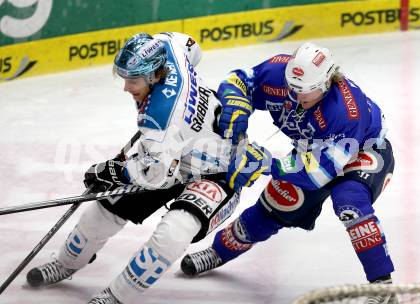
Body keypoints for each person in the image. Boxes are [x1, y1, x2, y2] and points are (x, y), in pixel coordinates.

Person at [25, 32, 269, 303]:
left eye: (133, 80)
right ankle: (65, 263)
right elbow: (193, 49)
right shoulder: (169, 46)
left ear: (154, 75)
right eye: (125, 77)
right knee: (104, 211)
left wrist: (112, 172)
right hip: (172, 151)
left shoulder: (160, 118)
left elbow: (154, 175)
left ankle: (116, 296)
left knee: (174, 233)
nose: (126, 88)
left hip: (221, 171)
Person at [180, 42, 396, 297]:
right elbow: (239, 80)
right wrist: (235, 102)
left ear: (327, 82)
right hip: (314, 151)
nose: (296, 96)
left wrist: (267, 163)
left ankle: (383, 286)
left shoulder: (346, 112)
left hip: (364, 150)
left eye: (306, 91)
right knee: (274, 206)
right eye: (292, 88)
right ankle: (218, 252)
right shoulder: (279, 73)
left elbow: (318, 173)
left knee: (350, 203)